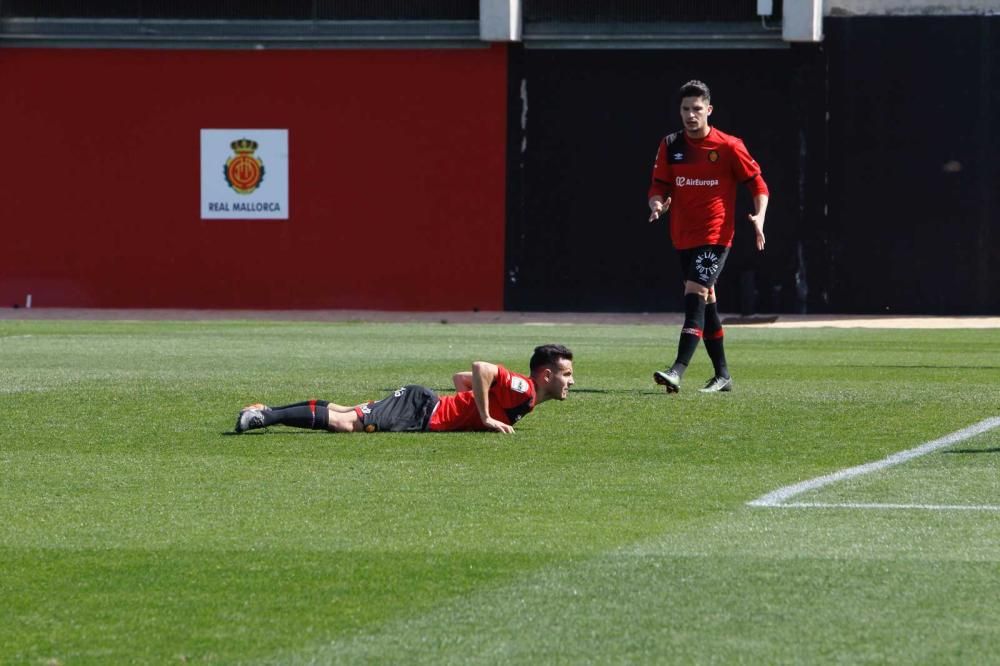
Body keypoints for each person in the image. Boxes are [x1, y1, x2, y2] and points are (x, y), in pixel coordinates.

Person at [647, 79, 769, 393]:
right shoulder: (671, 145)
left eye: (697, 109)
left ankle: (677, 370)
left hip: (715, 236)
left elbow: (759, 186)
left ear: (709, 110)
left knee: (695, 294)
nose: (691, 115)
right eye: (686, 109)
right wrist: (657, 203)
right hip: (682, 236)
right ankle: (723, 375)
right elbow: (659, 185)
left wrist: (759, 218)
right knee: (708, 302)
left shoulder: (728, 146)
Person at [233, 344, 574, 435]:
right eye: (566, 374)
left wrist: (471, 406)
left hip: (424, 406)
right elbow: (480, 369)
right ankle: (263, 417)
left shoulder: (524, 398)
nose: (571, 381)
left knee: (341, 412)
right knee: (347, 423)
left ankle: (267, 410)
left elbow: (461, 381)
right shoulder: (526, 392)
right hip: (420, 410)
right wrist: (484, 417)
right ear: (545, 376)